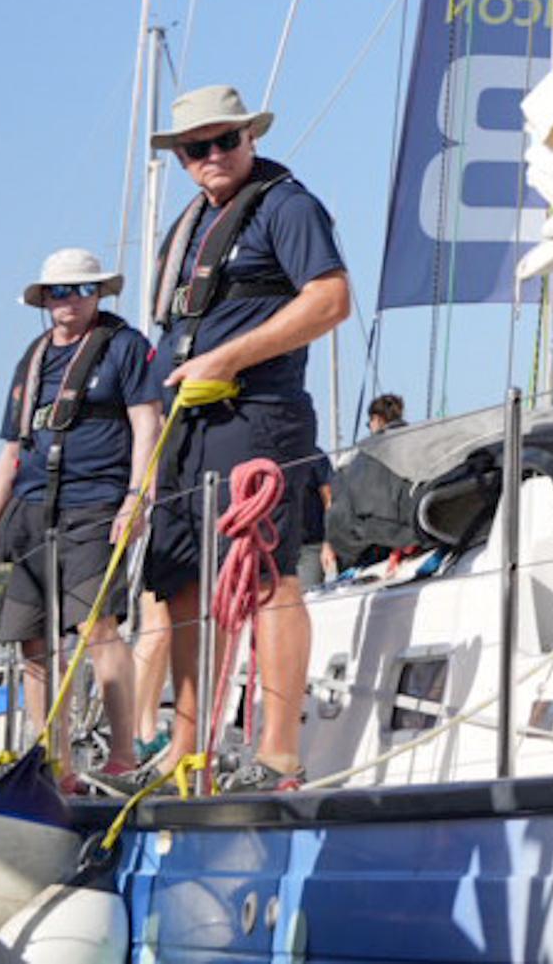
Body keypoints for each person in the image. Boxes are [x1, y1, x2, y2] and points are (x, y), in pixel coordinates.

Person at [136, 85, 351, 786]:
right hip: (185, 425)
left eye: (226, 139)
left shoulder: (286, 206)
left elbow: (331, 299)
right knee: (180, 586)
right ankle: (184, 751)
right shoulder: (188, 225)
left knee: (264, 576)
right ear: (182, 158)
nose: (213, 154)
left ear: (250, 137)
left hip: (256, 413)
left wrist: (228, 358)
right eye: (196, 147)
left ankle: (278, 752)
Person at [0, 250, 159, 766]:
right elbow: (11, 450)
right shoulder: (32, 359)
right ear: (44, 300)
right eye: (59, 291)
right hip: (33, 509)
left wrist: (136, 497)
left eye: (83, 289)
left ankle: (123, 753)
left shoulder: (124, 346)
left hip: (95, 504)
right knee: (32, 640)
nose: (71, 299)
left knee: (98, 629)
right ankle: (54, 760)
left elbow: (146, 424)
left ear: (99, 294)